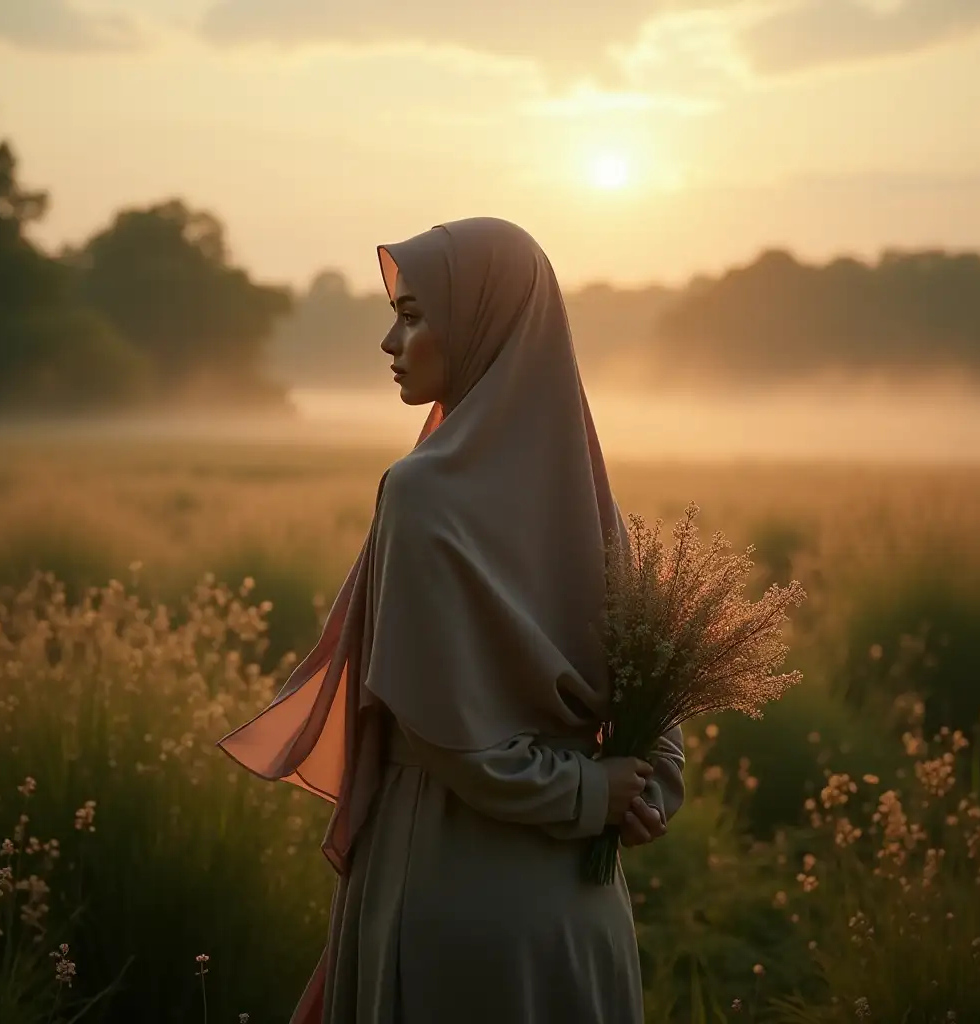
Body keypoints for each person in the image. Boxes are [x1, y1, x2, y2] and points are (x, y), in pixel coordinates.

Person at [217, 217, 687, 1024]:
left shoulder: (422, 493)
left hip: (449, 878)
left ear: (481, 328)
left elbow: (447, 741)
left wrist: (598, 794)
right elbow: (657, 699)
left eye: (411, 315)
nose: (388, 340)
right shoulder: (593, 502)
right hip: (579, 907)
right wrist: (640, 791)